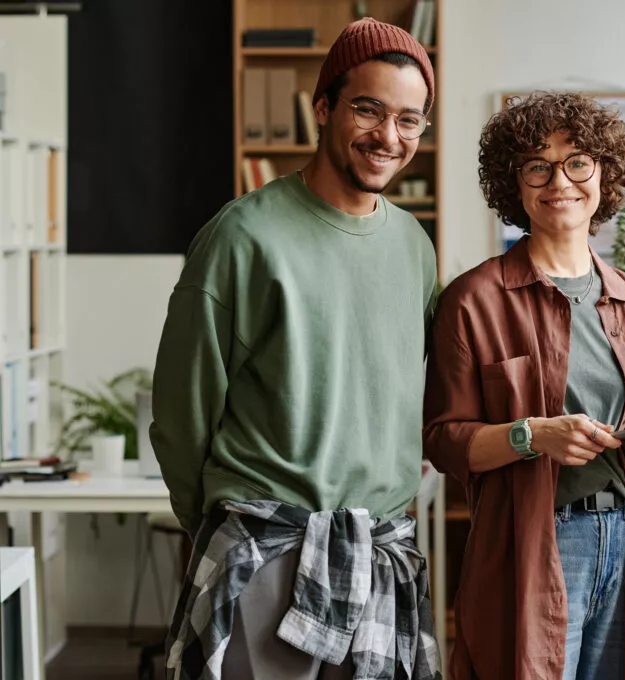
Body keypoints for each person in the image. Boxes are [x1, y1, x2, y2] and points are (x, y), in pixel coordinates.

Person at [423, 91, 625, 680]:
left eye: (578, 161)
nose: (561, 181)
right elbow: (445, 441)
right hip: (534, 542)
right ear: (514, 184)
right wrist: (532, 435)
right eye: (537, 166)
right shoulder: (473, 299)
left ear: (602, 173)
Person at [150, 18, 441, 680]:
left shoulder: (414, 248)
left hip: (380, 551)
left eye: (409, 120)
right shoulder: (241, 238)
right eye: (368, 109)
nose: (388, 137)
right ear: (322, 109)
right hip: (266, 547)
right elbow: (181, 412)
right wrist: (220, 527)